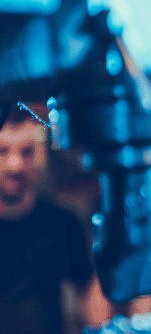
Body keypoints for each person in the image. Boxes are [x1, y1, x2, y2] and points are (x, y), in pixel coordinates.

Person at [0, 105, 112, 334]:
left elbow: (90, 295)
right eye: (2, 151)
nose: (15, 165)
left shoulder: (60, 223)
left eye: (27, 152)